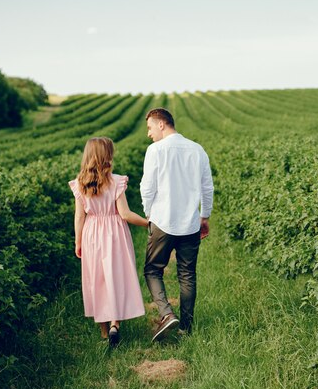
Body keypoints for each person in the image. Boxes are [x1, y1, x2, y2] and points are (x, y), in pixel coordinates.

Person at [140, 108, 214, 341]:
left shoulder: (155, 151)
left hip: (162, 221)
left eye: (150, 127)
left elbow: (147, 188)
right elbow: (207, 187)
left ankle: (166, 313)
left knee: (152, 270)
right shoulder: (197, 150)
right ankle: (186, 329)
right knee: (187, 274)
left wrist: (149, 214)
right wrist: (205, 216)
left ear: (162, 124)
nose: (149, 134)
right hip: (190, 224)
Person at [69, 137, 148, 347]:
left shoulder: (80, 183)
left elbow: (79, 217)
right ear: (108, 156)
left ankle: (104, 332)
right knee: (116, 275)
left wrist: (78, 241)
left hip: (91, 233)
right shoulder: (116, 182)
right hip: (114, 233)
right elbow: (125, 214)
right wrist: (147, 223)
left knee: (98, 279)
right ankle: (115, 324)